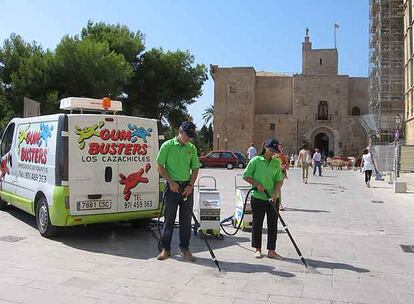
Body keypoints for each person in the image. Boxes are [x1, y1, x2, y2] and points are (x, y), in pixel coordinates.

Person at [156, 121, 200, 261]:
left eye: (190, 136)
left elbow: (195, 169)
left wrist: (190, 185)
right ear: (180, 131)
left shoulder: (191, 148)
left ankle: (185, 249)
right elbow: (160, 166)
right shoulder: (167, 146)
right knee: (169, 220)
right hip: (172, 187)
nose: (188, 138)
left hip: (186, 188)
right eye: (187, 135)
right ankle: (165, 249)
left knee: (186, 221)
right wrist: (170, 182)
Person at [243, 138, 284, 259]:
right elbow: (246, 175)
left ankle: (272, 250)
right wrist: (257, 184)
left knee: (273, 224)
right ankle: (257, 249)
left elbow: (279, 179)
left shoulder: (276, 162)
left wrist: (276, 192)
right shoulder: (256, 160)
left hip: (273, 198)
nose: (272, 153)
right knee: (257, 223)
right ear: (265, 147)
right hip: (258, 197)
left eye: (274, 151)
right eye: (271, 150)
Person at [275, 144, 289, 211]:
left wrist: (285, 166)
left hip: (281, 173)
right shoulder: (273, 155)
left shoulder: (283, 155)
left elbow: (286, 164)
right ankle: (274, 202)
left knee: (279, 188)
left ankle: (279, 204)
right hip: (273, 173)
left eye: (281, 147)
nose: (280, 148)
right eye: (278, 147)